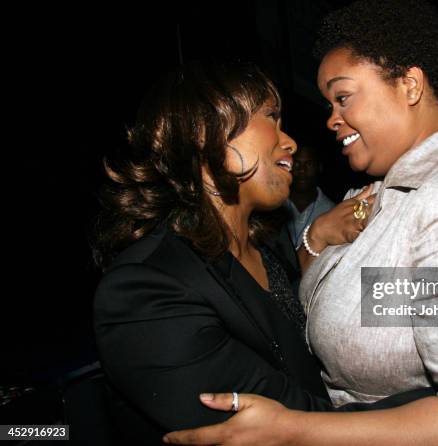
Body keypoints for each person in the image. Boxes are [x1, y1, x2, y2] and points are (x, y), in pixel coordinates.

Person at [164, 0, 438, 445]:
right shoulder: (370, 197)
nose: (331, 119)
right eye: (328, 103)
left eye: (343, 96)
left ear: (409, 85)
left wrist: (296, 432)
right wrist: (317, 236)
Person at [92, 59, 375, 443]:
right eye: (270, 117)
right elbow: (293, 420)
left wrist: (317, 238)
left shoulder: (268, 246)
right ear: (208, 133)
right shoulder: (148, 291)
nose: (289, 142)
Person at [283, 143, 335, 248]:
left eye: (309, 164)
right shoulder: (274, 206)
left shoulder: (331, 211)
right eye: (296, 164)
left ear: (319, 167)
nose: (302, 170)